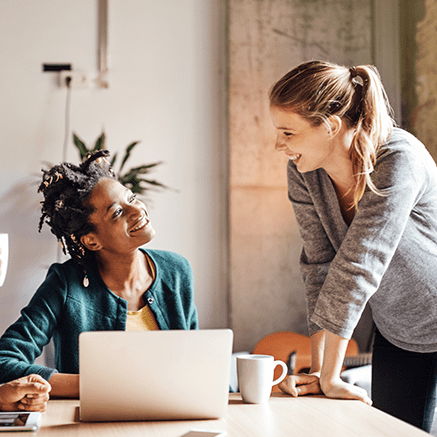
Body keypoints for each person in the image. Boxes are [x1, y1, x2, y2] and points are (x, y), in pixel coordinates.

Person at [269, 60, 437, 432]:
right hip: (398, 330)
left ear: (329, 126)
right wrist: (320, 371)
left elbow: (361, 264)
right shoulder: (303, 172)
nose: (278, 144)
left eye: (288, 132)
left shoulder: (397, 158)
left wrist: (331, 376)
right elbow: (319, 267)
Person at [0, 150, 198, 398]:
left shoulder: (177, 271)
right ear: (92, 241)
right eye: (117, 213)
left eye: (132, 198)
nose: (136, 210)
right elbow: (4, 360)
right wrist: (92, 386)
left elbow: (195, 364)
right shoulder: (65, 284)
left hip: (172, 416)